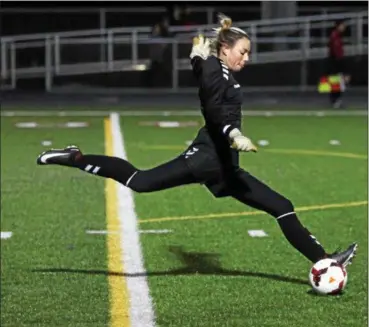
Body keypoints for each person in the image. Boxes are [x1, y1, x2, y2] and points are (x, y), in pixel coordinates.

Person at [36, 14, 357, 267]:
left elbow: (203, 76)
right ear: (225, 49)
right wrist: (234, 133)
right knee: (141, 181)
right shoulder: (217, 72)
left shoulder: (216, 69)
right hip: (207, 158)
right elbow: (215, 109)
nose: (246, 58)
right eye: (242, 52)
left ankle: (325, 260)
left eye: (248, 53)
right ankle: (77, 158)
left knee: (282, 207)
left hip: (225, 167)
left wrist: (195, 57)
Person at [327, 20, 350, 108]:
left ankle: (336, 100)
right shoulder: (335, 36)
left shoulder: (337, 36)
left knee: (337, 82)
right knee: (336, 82)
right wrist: (344, 68)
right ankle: (335, 101)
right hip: (335, 62)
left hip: (335, 61)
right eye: (342, 25)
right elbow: (337, 52)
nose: (343, 27)